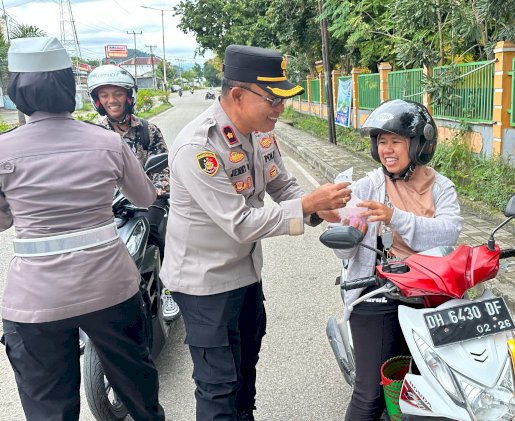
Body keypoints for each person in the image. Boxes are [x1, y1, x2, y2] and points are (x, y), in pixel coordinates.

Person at [161, 45, 351, 421]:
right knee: (218, 386)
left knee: (246, 369)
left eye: (282, 99)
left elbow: (284, 186)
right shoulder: (199, 147)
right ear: (237, 95)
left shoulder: (261, 134)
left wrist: (321, 210)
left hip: (245, 275)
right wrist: (309, 205)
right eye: (273, 99)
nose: (280, 108)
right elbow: (241, 223)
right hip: (204, 285)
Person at [0, 36, 165, 420]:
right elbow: (143, 197)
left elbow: (4, 220)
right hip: (110, 289)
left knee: (49, 409)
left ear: (16, 90)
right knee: (140, 395)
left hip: (35, 302)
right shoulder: (107, 141)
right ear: (67, 87)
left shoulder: (4, 150)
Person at [332, 99, 463, 421]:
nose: (387, 150)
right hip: (378, 292)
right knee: (369, 393)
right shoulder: (368, 186)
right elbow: (344, 250)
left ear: (419, 145)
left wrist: (394, 217)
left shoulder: (441, 187)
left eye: (396, 141)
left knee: (451, 385)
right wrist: (343, 224)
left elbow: (447, 234)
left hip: (433, 293)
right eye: (382, 141)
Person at [87, 64, 180, 321]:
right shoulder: (92, 132)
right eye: (104, 95)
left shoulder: (148, 131)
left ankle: (169, 288)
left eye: (116, 93)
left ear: (128, 96)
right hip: (107, 204)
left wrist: (157, 191)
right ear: (97, 100)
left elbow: (164, 168)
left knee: (159, 232)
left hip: (147, 200)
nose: (111, 100)